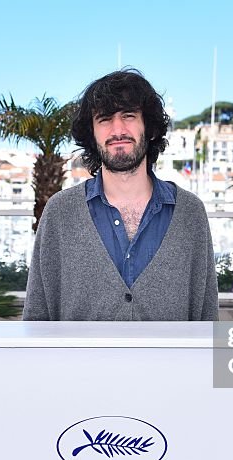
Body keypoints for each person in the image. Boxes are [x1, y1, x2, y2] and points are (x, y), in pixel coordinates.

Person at [23, 69, 218, 321]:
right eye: (104, 119)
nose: (118, 129)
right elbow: (37, 316)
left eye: (128, 115)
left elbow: (207, 315)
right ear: (92, 135)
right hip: (76, 363)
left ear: (149, 128)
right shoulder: (60, 212)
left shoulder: (190, 212)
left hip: (172, 362)